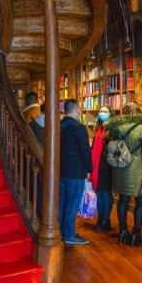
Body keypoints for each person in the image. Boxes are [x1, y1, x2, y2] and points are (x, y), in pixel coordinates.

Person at [105, 101, 142, 246]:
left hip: (120, 167)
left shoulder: (116, 127)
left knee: (123, 201)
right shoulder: (141, 129)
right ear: (138, 112)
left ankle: (123, 231)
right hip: (138, 169)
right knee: (140, 202)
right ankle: (136, 234)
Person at [59, 98, 92, 245]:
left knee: (61, 203)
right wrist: (89, 168)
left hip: (60, 171)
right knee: (72, 204)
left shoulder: (58, 126)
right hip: (76, 171)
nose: (80, 111)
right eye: (79, 109)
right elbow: (85, 150)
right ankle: (69, 235)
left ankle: (60, 232)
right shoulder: (79, 128)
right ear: (76, 110)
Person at [90, 105, 113, 231]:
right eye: (101, 111)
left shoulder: (112, 130)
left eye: (106, 111)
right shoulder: (97, 128)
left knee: (106, 193)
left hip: (107, 166)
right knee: (99, 193)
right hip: (97, 165)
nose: (103, 113)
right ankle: (101, 219)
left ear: (110, 114)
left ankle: (105, 220)